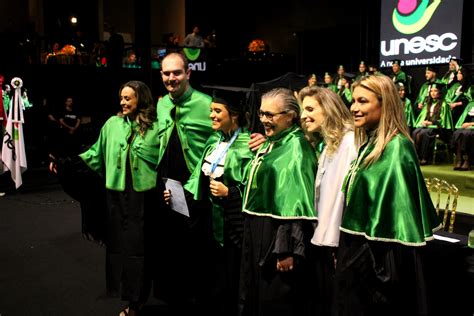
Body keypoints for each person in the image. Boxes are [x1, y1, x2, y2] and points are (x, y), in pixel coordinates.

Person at [335, 74, 441, 316]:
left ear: (385, 103)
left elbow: (398, 224)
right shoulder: (370, 145)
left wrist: (373, 269)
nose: (354, 108)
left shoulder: (396, 148)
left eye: (363, 101)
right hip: (359, 253)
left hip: (380, 262)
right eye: (353, 101)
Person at [79, 81, 161, 316]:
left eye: (128, 98)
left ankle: (137, 301)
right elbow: (96, 153)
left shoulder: (155, 126)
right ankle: (127, 295)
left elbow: (163, 158)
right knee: (119, 246)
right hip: (115, 195)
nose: (123, 102)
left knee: (140, 248)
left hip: (143, 198)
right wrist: (70, 163)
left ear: (141, 99)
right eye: (122, 98)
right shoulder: (111, 124)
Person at [239, 87, 317, 316]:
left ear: (291, 115)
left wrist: (285, 249)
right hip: (257, 229)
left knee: (275, 298)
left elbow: (293, 205)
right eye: (262, 113)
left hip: (275, 237)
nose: (264, 119)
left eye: (270, 115)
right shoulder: (276, 141)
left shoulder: (296, 148)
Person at [181, 88, 254, 316]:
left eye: (217, 111)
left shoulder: (248, 145)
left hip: (233, 227)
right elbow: (197, 180)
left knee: (232, 279)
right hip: (209, 225)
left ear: (233, 114)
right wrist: (180, 196)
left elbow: (255, 188)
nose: (211, 115)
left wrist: (230, 193)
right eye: (211, 110)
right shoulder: (213, 142)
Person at [299, 86, 357, 315]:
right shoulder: (329, 144)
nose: (304, 116)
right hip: (329, 243)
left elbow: (344, 198)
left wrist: (336, 244)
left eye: (311, 109)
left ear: (329, 109)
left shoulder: (350, 143)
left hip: (341, 244)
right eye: (303, 110)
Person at [412, 82, 453, 165]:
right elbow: (422, 117)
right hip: (428, 126)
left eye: (435, 91)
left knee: (425, 132)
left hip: (439, 129)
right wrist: (423, 122)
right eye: (431, 91)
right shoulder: (428, 103)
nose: (433, 93)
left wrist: (431, 122)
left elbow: (443, 121)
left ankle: (425, 157)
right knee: (415, 132)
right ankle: (416, 156)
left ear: (440, 92)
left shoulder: (444, 104)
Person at [451, 100, 474, 171]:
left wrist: (470, 124)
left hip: (472, 127)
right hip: (469, 126)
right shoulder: (471, 104)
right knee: (457, 133)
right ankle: (459, 159)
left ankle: (467, 160)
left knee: (466, 134)